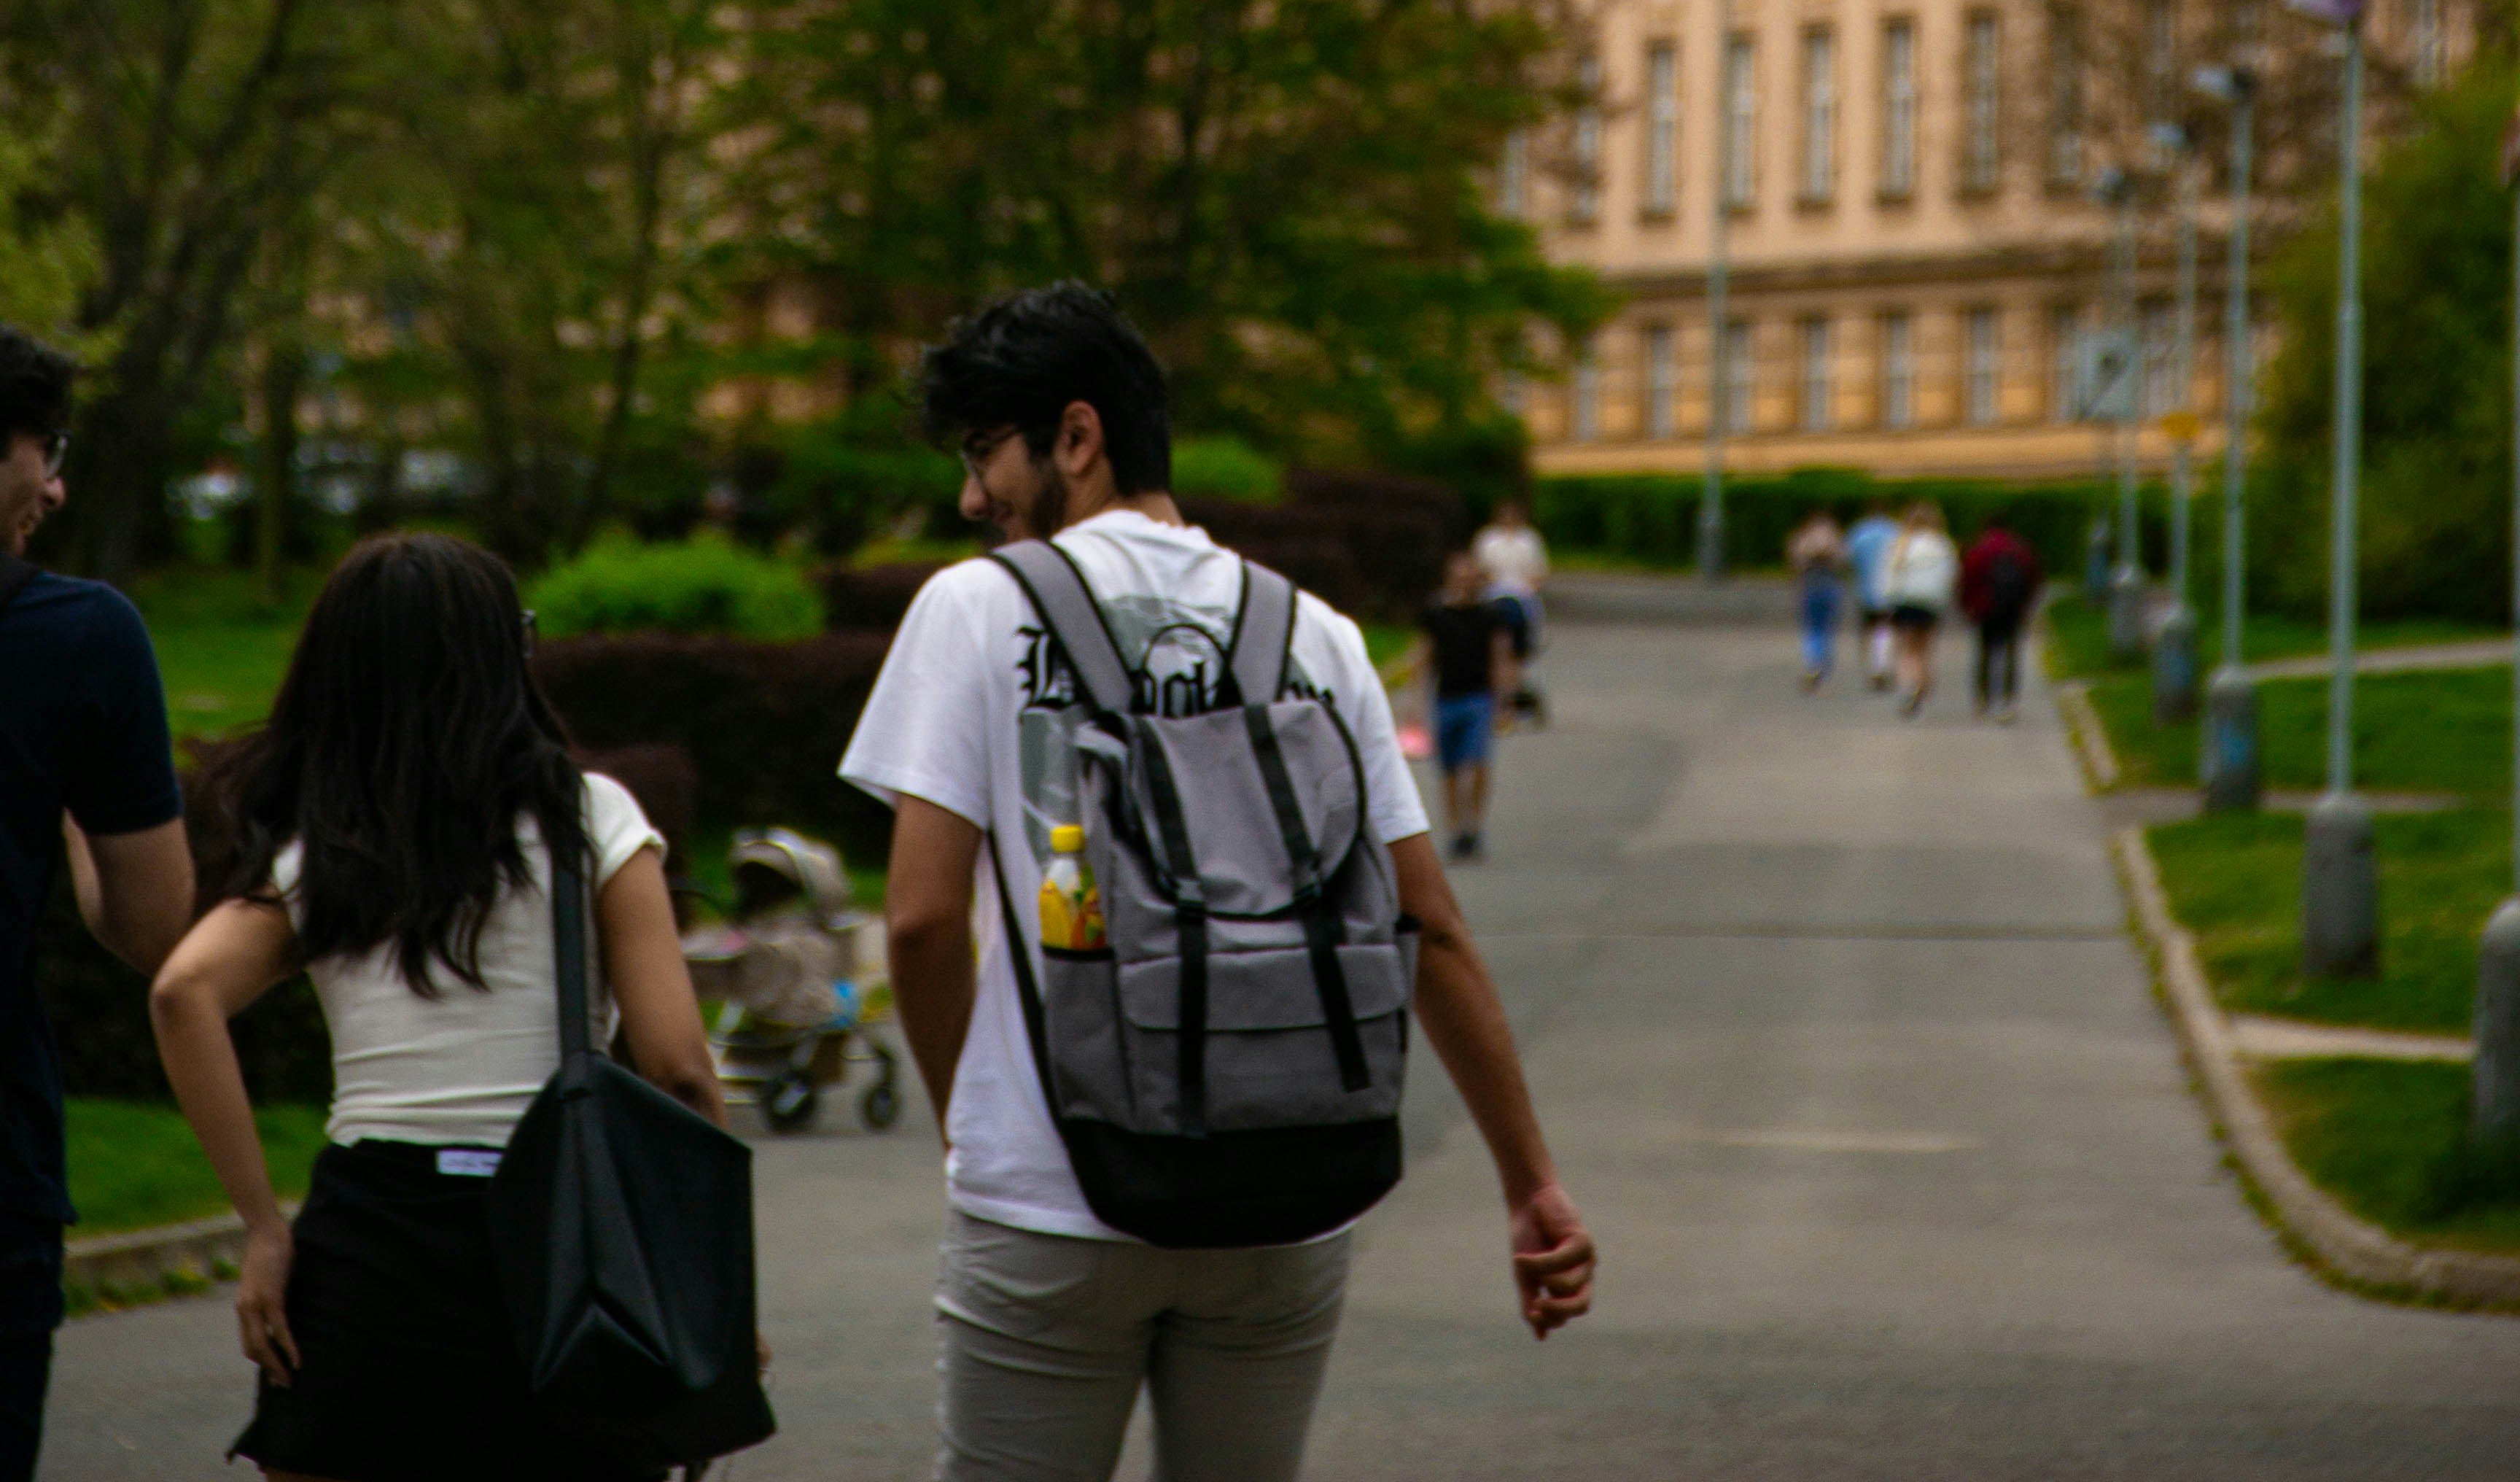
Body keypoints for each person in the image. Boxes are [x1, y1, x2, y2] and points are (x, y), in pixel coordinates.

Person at [845, 282, 1595, 1482]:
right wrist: (1531, 1180)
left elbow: (923, 916)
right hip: (1283, 1195)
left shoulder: (976, 607)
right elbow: (1430, 927)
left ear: (1076, 437)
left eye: (985, 451)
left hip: (1050, 1201)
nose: (970, 495)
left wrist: (971, 1129)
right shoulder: (1317, 632)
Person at [149, 531, 737, 1482]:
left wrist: (262, 1226)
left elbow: (184, 992)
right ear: (507, 658)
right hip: (565, 1240)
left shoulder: (323, 842)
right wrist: (714, 1290)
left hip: (371, 1242)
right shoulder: (592, 818)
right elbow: (676, 1065)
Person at [0, 328, 195, 1482]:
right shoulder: (80, 639)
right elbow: (155, 927)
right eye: (47, 448)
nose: (58, 485)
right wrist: (75, 812)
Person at [1418, 550, 1514, 858]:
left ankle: (1473, 826)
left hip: (1478, 698)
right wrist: (1415, 699)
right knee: (1448, 769)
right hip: (1446, 698)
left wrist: (1504, 700)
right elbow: (1424, 655)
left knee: (1475, 764)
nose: (1464, 583)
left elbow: (1500, 657)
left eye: (1469, 577)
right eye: (1458, 577)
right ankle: (1456, 829)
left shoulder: (1490, 615)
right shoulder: (1436, 614)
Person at [1470, 495, 1548, 723]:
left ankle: (1513, 698)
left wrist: (1526, 587)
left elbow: (1540, 572)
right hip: (1493, 595)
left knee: (1517, 651)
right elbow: (1479, 569)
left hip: (1522, 597)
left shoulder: (1529, 540)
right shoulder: (1487, 540)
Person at [1959, 516, 2045, 722]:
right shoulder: (2020, 550)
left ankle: (1983, 700)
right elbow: (2035, 578)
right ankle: (2009, 701)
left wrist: (1967, 607)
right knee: (2010, 654)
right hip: (2013, 609)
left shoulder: (1978, 551)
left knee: (1985, 653)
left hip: (1985, 608)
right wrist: (2027, 606)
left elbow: (1967, 580)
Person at [1884, 501, 1959, 718]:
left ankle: (1910, 686)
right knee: (1925, 648)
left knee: (1906, 649)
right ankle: (1924, 683)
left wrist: (1889, 602)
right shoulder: (1943, 545)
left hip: (1906, 600)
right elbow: (1952, 577)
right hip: (1932, 603)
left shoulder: (1902, 545)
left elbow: (1891, 577)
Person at [1785, 508, 1846, 693]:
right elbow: (1844, 561)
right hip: (1830, 587)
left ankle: (1813, 663)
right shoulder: (1835, 538)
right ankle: (1824, 669)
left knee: (1812, 628)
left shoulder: (1802, 538)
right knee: (1828, 629)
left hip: (1810, 586)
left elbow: (1794, 563)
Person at [1844, 498, 1899, 693]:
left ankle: (1872, 668)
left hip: (1865, 590)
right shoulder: (1896, 531)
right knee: (1885, 629)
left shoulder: (1859, 532)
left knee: (1868, 630)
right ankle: (1882, 666)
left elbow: (1848, 559)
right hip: (1889, 590)